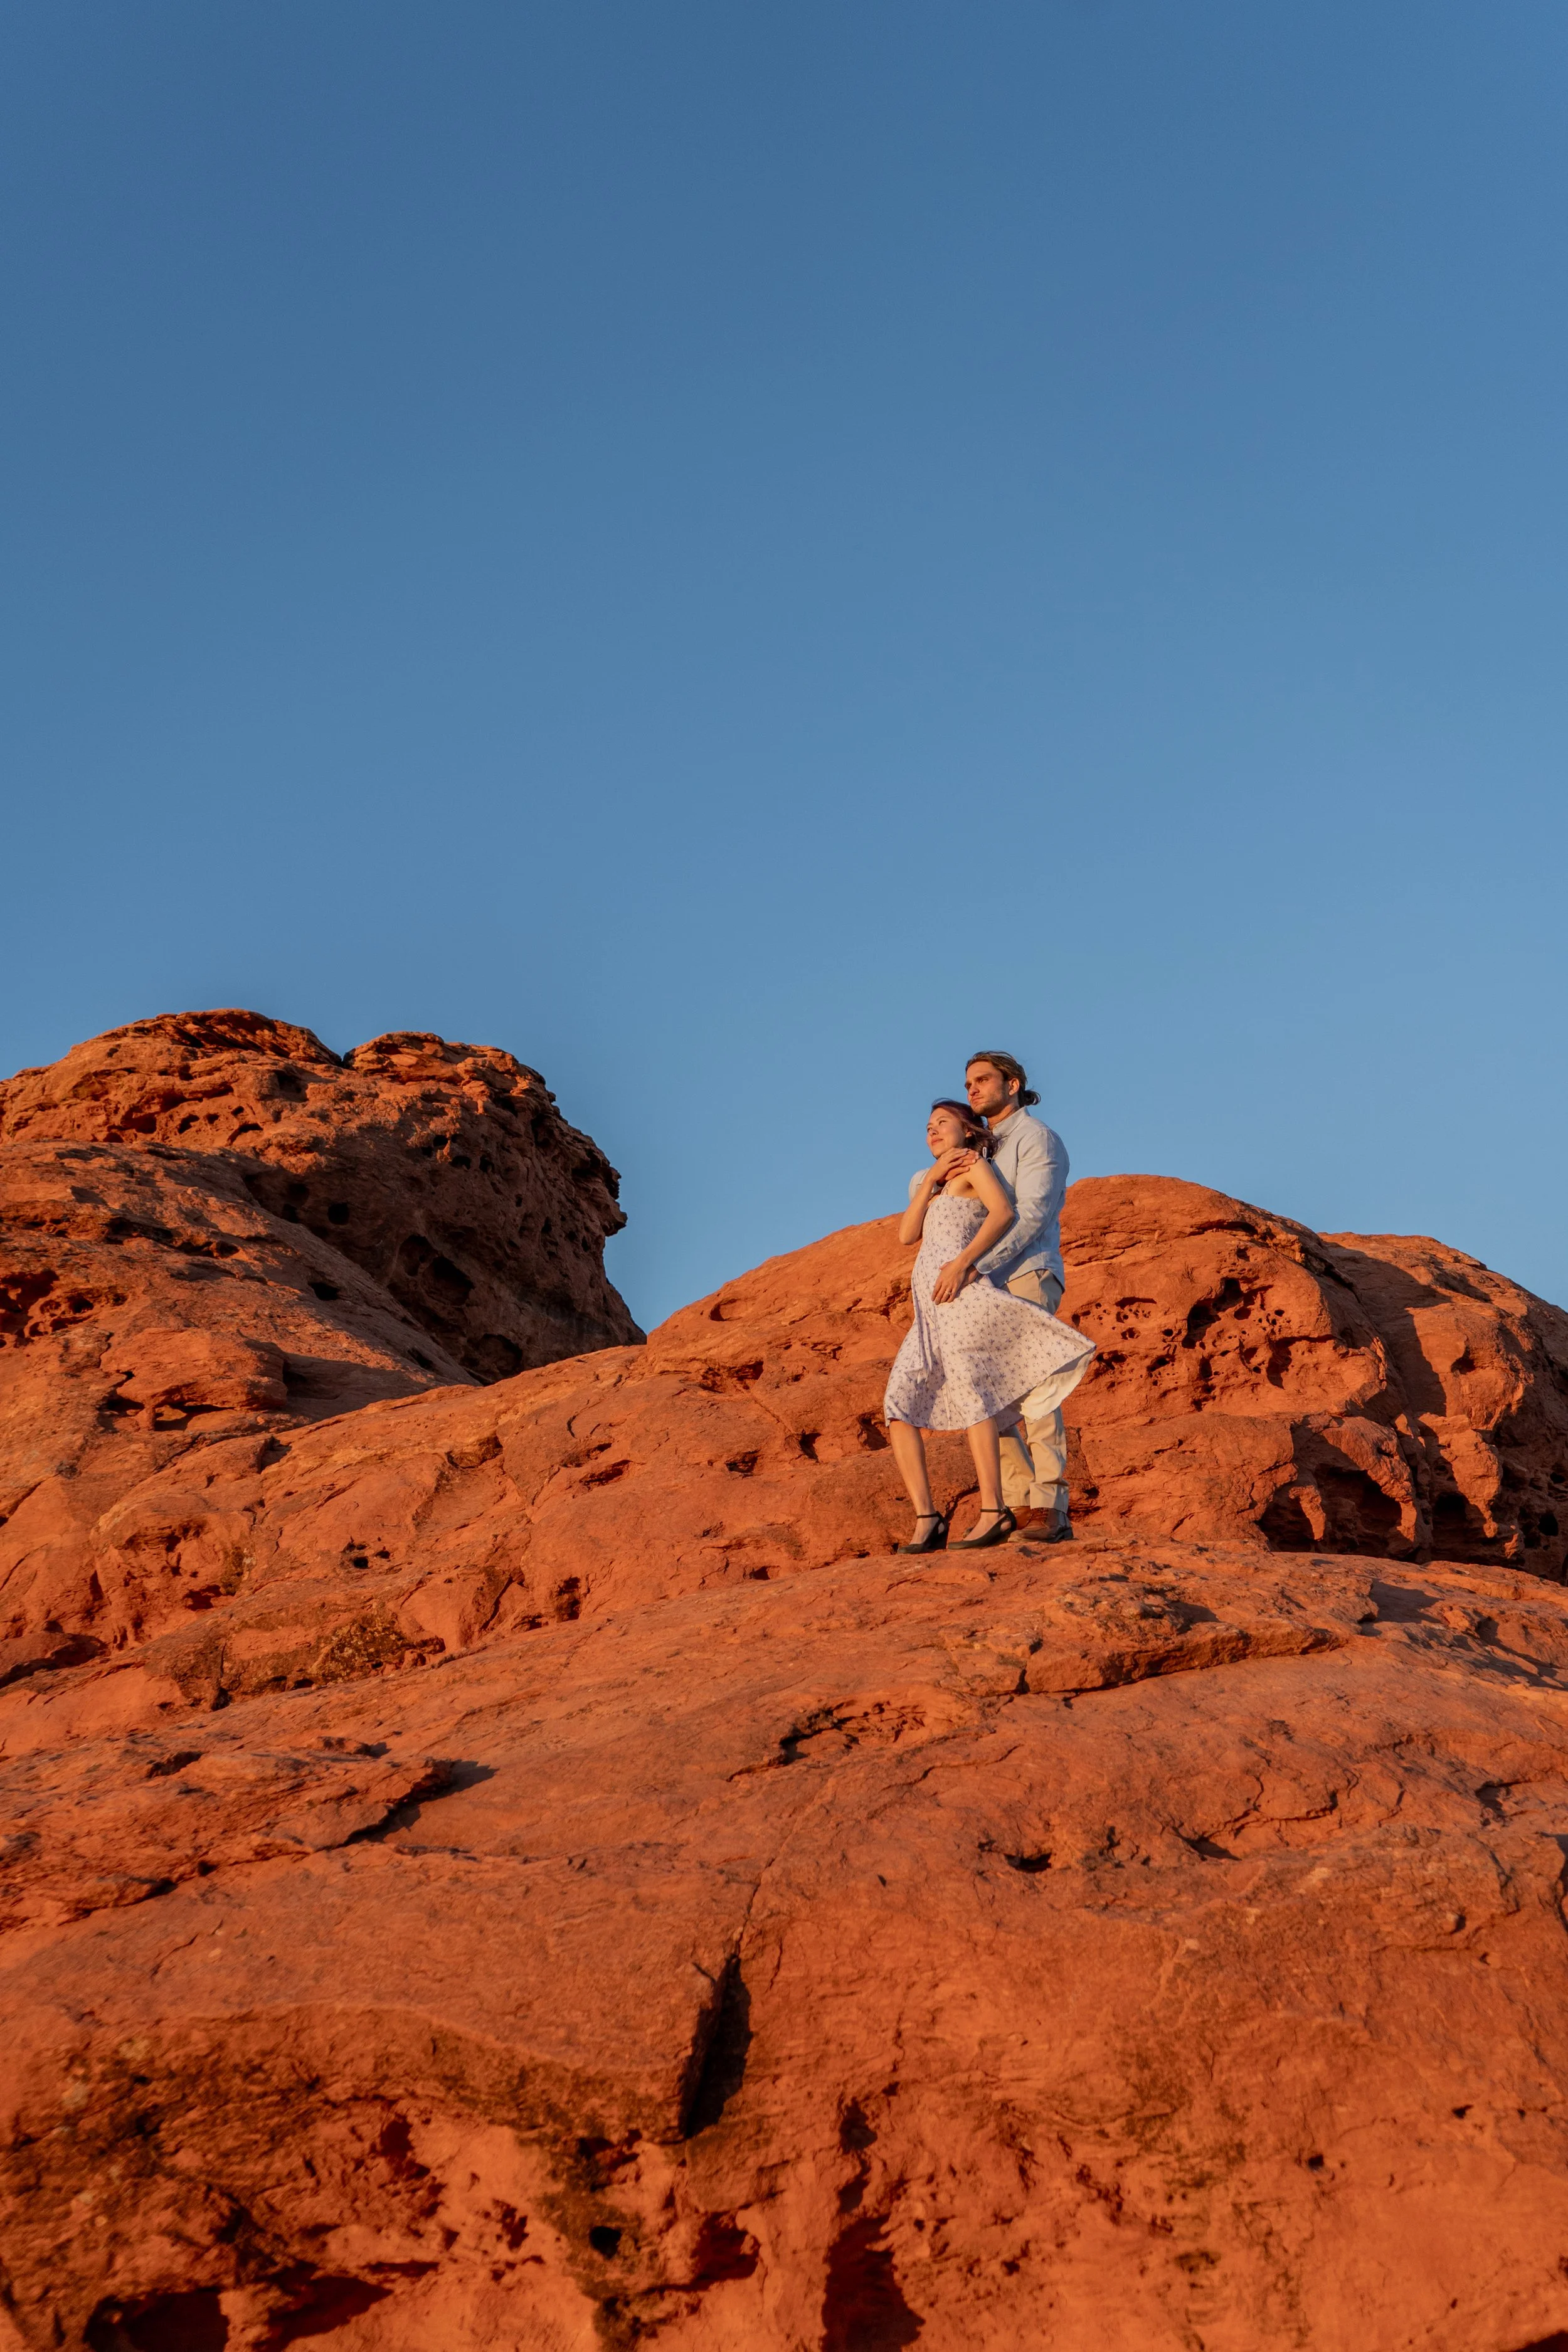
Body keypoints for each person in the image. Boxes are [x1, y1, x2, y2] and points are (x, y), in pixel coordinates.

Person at [882, 1098, 1094, 1552]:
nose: (933, 1131)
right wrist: (931, 1182)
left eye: (944, 1123)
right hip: (928, 1314)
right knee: (897, 1407)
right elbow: (905, 1235)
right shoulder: (933, 1183)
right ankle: (928, 1518)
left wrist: (965, 1264)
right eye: (928, 1126)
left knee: (976, 1397)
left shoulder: (977, 1167)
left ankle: (996, 1510)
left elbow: (1007, 1213)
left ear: (970, 1131)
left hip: (963, 1295)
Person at [960, 1049, 1076, 1540]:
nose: (973, 1090)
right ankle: (1017, 1502)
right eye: (968, 1084)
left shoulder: (1036, 1138)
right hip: (981, 1285)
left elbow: (1032, 1214)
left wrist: (972, 1264)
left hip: (1025, 1272)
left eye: (983, 1080)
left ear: (1013, 1085)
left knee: (1036, 1385)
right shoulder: (978, 1150)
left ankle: (1050, 1506)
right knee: (990, 1395)